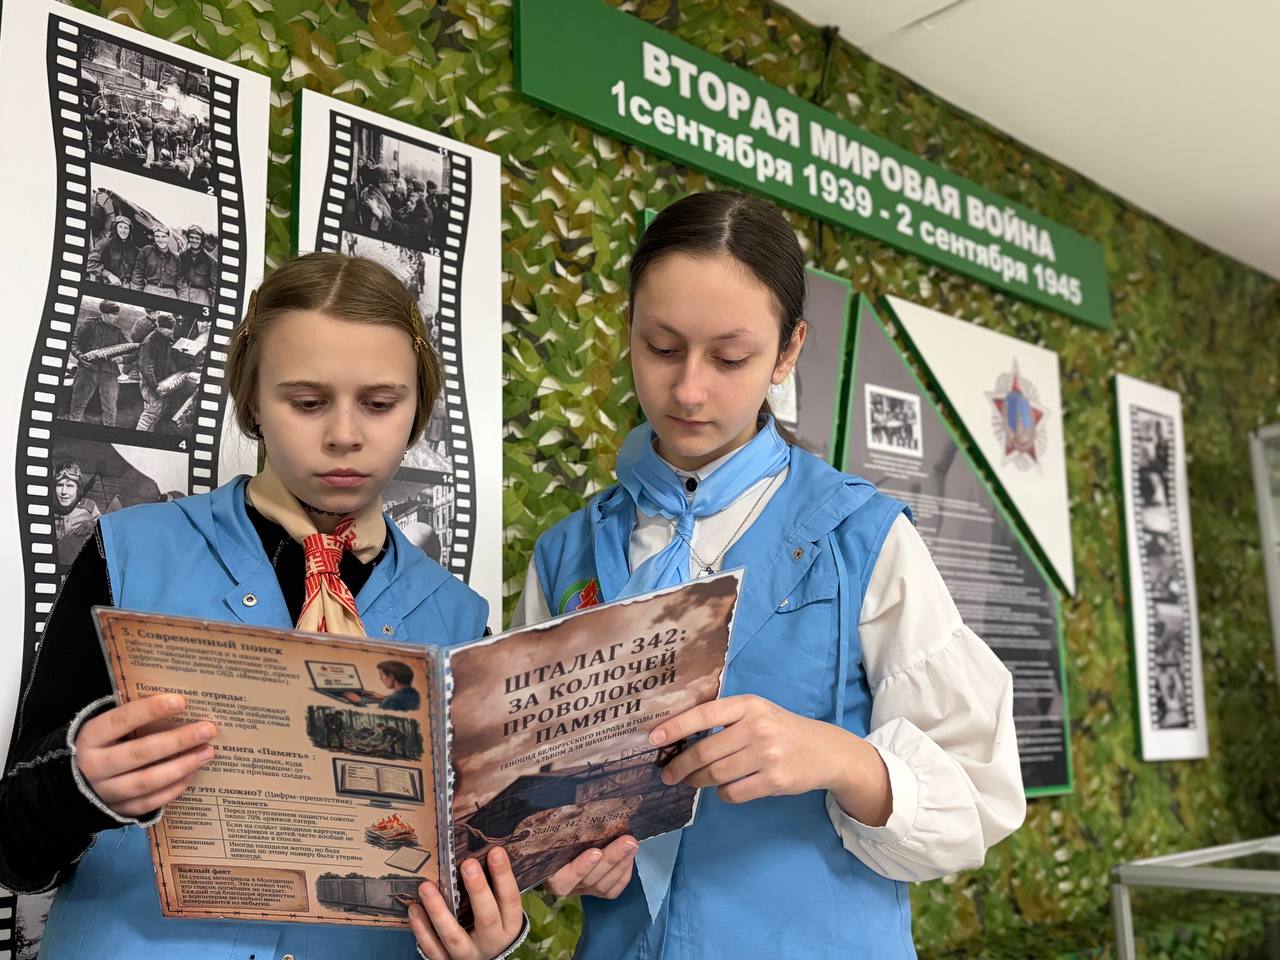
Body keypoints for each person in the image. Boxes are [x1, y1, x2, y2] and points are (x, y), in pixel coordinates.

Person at [514, 192, 1026, 958]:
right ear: (628, 329)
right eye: (661, 347)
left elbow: (978, 793)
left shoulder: (861, 537)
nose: (689, 390)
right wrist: (560, 850)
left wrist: (844, 759)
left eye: (730, 358)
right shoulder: (566, 555)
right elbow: (525, 787)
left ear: (788, 352)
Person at [0, 252, 528, 960]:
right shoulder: (128, 554)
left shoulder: (461, 622)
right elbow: (14, 850)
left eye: (380, 403)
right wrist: (76, 787)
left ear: (418, 409)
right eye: (307, 402)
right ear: (251, 401)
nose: (345, 434)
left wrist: (488, 933)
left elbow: (471, 859)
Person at [68, 300, 128, 426]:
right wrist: (79, 356)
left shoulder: (117, 331)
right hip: (87, 370)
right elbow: (74, 343)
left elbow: (128, 349)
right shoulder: (89, 325)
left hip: (109, 373)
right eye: (114, 315)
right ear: (105, 314)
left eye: (117, 315)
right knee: (78, 403)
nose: (117, 318)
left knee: (110, 407)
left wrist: (122, 359)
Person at [52, 462, 101, 566]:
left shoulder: (89, 506)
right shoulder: (48, 510)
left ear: (78, 489)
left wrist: (93, 524)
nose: (64, 492)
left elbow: (105, 530)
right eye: (59, 485)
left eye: (70, 485)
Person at [87, 215, 138, 287]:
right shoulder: (105, 244)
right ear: (116, 228)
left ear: (130, 231)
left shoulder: (134, 249)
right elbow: (90, 264)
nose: (123, 230)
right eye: (120, 227)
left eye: (126, 228)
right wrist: (109, 275)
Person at [177, 223, 216, 307]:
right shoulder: (183, 256)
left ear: (202, 240)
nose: (194, 240)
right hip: (185, 294)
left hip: (202, 297)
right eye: (191, 237)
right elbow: (180, 277)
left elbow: (215, 286)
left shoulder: (210, 260)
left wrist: (213, 305)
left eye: (197, 238)